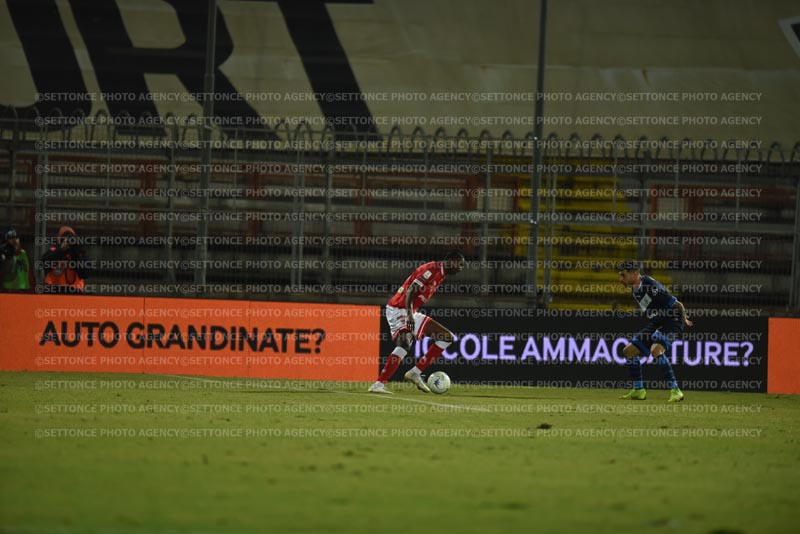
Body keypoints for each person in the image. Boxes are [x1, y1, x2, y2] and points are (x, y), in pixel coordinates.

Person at [368, 250, 466, 394]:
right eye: (460, 264)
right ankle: (378, 384)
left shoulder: (441, 273)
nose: (460, 268)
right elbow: (411, 291)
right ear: (451, 261)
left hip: (410, 310)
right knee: (405, 342)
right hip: (399, 309)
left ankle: (415, 372)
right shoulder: (432, 269)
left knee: (447, 337)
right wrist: (409, 315)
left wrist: (411, 313)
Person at [617, 260, 692, 403]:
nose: (620, 279)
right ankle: (639, 391)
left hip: (672, 320)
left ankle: (676, 391)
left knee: (656, 350)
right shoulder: (635, 289)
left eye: (623, 275)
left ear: (635, 273)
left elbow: (678, 304)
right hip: (658, 322)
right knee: (629, 351)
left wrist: (684, 319)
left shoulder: (651, 286)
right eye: (620, 275)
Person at [40, 226, 89, 293]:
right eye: (64, 237)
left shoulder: (80, 254)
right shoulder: (52, 251)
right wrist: (61, 250)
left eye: (70, 237)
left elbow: (85, 274)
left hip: (75, 292)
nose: (67, 240)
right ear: (58, 239)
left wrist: (75, 252)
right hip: (54, 291)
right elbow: (44, 264)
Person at [1, 227, 33, 291]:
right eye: (11, 238)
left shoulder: (23, 253)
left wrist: (32, 289)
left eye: (16, 237)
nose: (14, 240)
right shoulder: (3, 254)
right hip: (8, 290)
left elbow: (30, 274)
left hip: (24, 290)